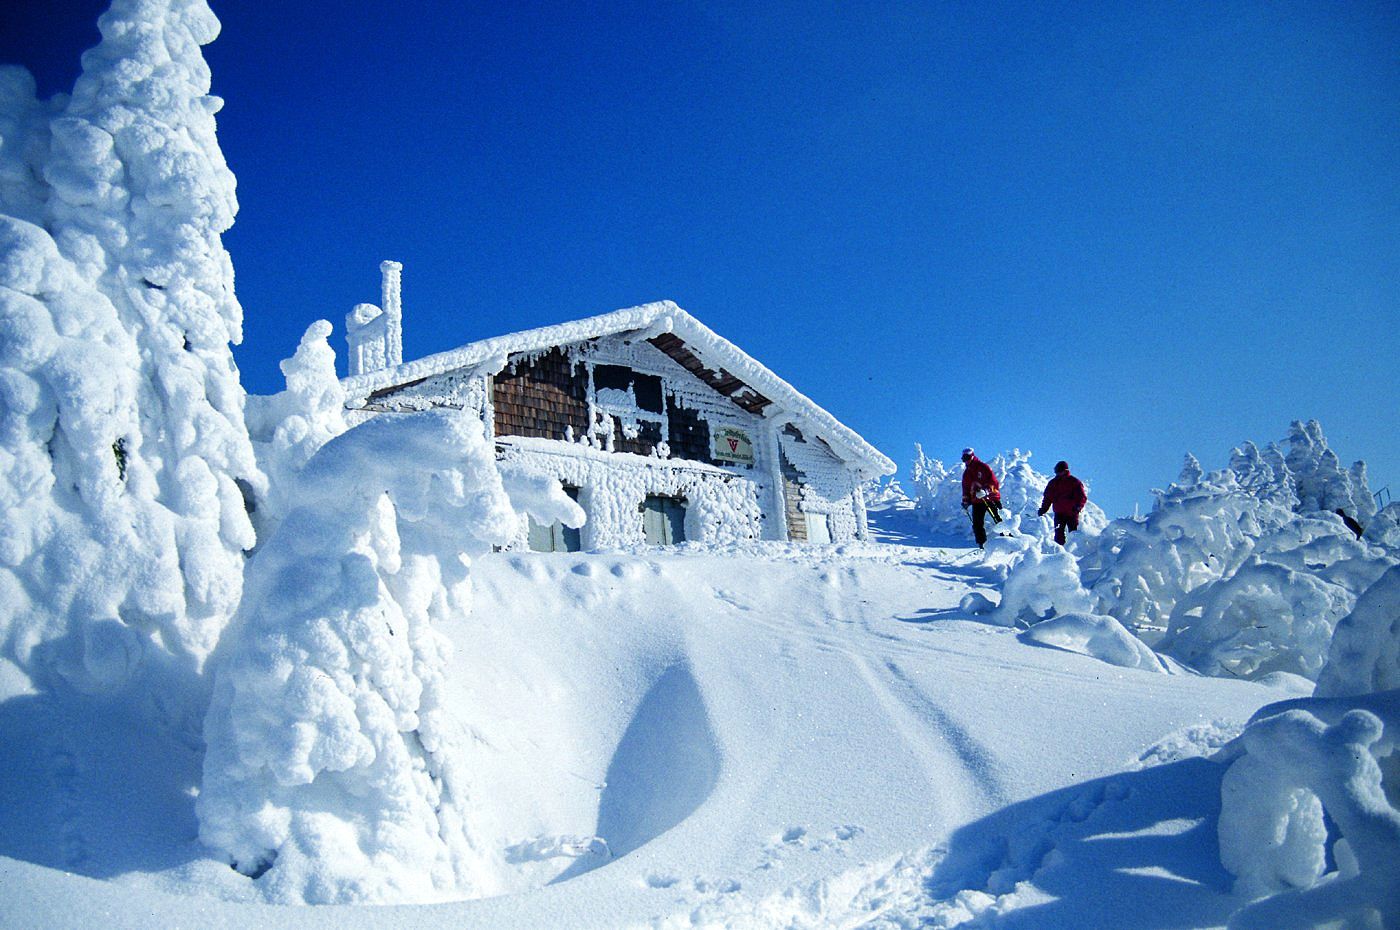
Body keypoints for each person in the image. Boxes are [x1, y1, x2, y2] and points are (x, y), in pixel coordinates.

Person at [1038, 460, 1087, 546]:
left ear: (1065, 471)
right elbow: (1048, 498)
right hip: (1059, 513)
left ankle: (1075, 552)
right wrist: (1043, 509)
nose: (1057, 474)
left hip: (1072, 512)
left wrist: (1078, 507)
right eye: (1056, 472)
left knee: (1073, 533)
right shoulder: (1053, 483)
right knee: (1058, 534)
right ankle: (1060, 553)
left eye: (1059, 471)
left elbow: (1082, 497)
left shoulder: (1074, 482)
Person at [960, 448, 1001, 548]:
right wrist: (966, 501)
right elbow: (966, 489)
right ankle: (982, 545)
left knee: (998, 519)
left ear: (973, 456)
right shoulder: (966, 474)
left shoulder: (983, 467)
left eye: (967, 457)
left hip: (990, 498)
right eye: (963, 458)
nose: (966, 460)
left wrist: (986, 491)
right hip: (977, 501)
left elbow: (994, 482)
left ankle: (1008, 539)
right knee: (977, 523)